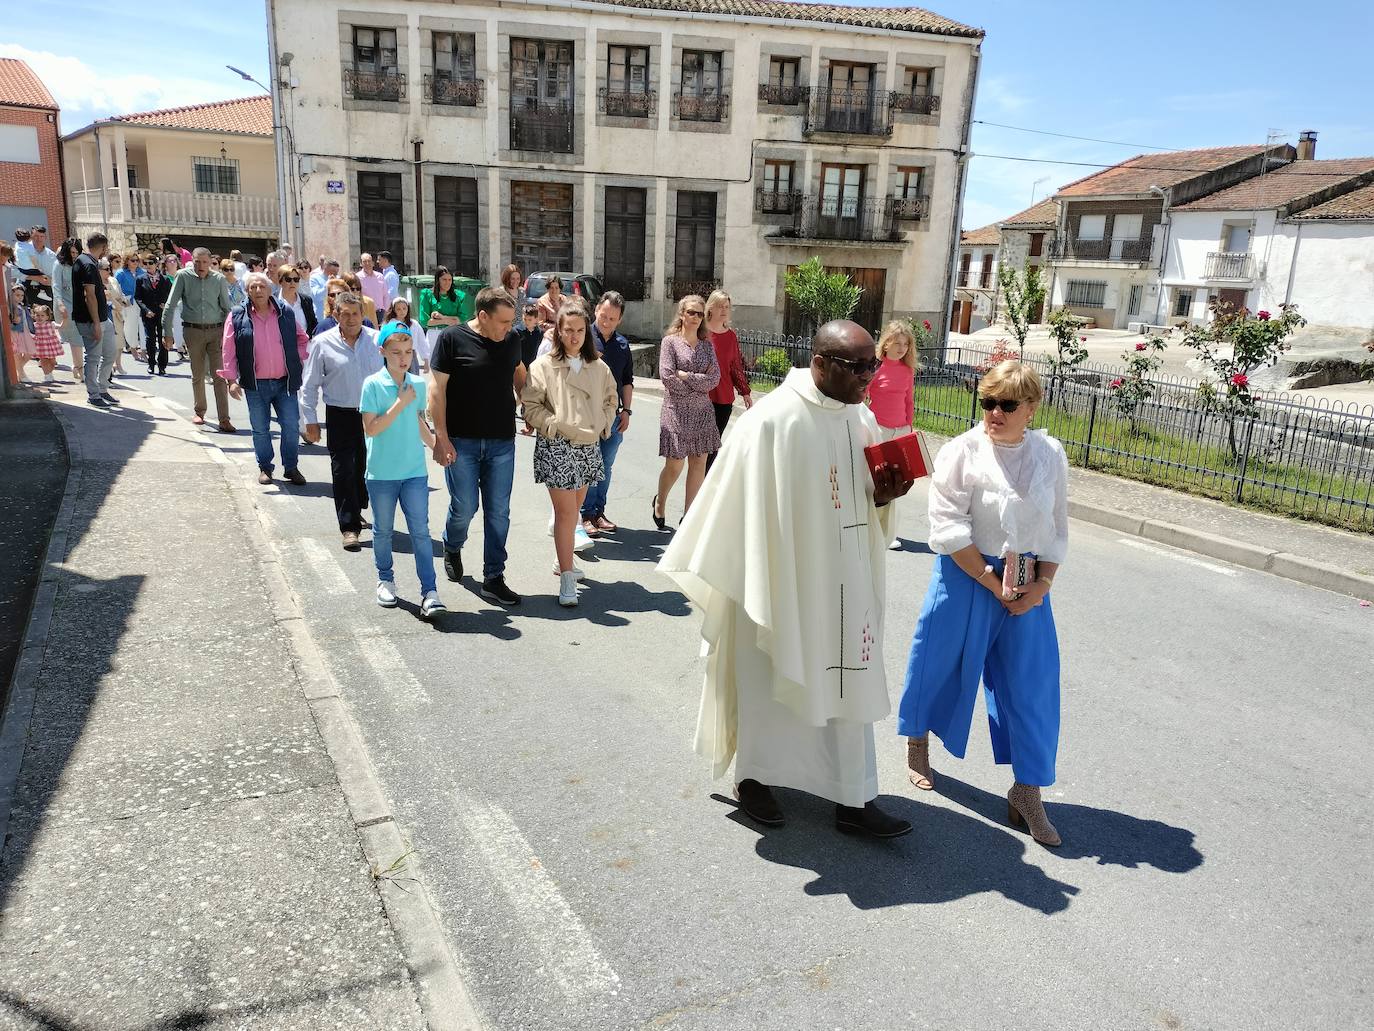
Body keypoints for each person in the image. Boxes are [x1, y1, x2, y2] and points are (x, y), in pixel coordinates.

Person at [658, 320, 915, 837]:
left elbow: (863, 500)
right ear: (820, 363)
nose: (871, 375)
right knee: (769, 675)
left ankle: (853, 797)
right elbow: (732, 509)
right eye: (859, 366)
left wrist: (884, 497)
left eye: (873, 364)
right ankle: (755, 778)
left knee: (847, 679)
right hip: (781, 578)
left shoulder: (856, 418)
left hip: (844, 580)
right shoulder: (770, 421)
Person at [898, 360, 1070, 847]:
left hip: (1028, 575)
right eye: (988, 402)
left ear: (1031, 409)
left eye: (1007, 404)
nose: (994, 412)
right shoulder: (961, 451)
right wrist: (994, 584)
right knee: (940, 664)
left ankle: (1027, 790)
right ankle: (918, 743)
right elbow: (947, 526)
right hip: (967, 570)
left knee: (1031, 685)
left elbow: (1057, 525)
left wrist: (1041, 586)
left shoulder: (1050, 454)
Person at [429, 286, 525, 606]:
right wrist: (440, 438)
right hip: (462, 443)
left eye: (512, 322)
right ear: (482, 316)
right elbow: (436, 391)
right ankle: (452, 545)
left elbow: (519, 374)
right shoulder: (451, 339)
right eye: (503, 322)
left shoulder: (511, 341)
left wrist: (529, 402)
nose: (508, 328)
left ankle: (494, 577)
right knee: (465, 507)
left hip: (502, 442)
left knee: (499, 512)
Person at [522, 300, 617, 607]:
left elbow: (610, 398)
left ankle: (562, 561)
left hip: (588, 444)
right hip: (557, 445)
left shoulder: (598, 366)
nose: (575, 336)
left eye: (580, 330)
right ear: (558, 331)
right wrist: (554, 426)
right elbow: (531, 406)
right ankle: (566, 578)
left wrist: (601, 423)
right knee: (565, 514)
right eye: (568, 330)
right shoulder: (542, 366)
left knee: (574, 513)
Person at [361, 321, 445, 618]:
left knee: (420, 532)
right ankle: (385, 579)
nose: (403, 358)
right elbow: (372, 429)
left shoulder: (417, 384)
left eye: (408, 352)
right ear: (383, 351)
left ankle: (430, 591)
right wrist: (399, 402)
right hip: (382, 473)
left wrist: (436, 444)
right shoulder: (372, 384)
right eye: (396, 352)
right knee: (382, 530)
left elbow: (417, 421)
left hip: (413, 471)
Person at [301, 293, 383, 550]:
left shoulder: (376, 340)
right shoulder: (322, 343)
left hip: (373, 413)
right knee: (343, 468)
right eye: (344, 314)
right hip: (339, 413)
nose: (350, 319)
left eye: (354, 314)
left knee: (366, 467)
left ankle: (357, 504)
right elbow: (309, 384)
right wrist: (310, 421)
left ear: (363, 315)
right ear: (336, 315)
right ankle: (349, 527)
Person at [220, 272, 310, 487]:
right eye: (253, 287)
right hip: (255, 384)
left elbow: (302, 339)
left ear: (270, 289)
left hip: (284, 382)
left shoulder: (285, 312)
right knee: (260, 428)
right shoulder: (237, 315)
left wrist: (295, 358)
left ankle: (291, 467)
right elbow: (228, 349)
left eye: (261, 286)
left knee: (290, 426)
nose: (258, 291)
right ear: (247, 291)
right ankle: (265, 468)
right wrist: (231, 379)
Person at [653, 295, 720, 530]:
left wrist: (688, 376)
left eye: (700, 314)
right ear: (682, 313)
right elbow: (668, 377)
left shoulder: (706, 345)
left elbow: (715, 379)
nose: (695, 317)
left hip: (702, 413)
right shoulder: (670, 342)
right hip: (676, 411)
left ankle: (689, 517)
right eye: (691, 312)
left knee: (699, 463)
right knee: (675, 465)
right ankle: (660, 501)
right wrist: (696, 385)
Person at [580, 292, 634, 535]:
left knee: (605, 465)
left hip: (614, 415)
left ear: (620, 319)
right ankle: (585, 515)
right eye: (603, 316)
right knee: (589, 464)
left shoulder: (622, 344)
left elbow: (627, 380)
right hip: (587, 414)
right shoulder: (583, 336)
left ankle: (598, 511)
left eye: (612, 318)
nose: (607, 321)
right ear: (596, 311)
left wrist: (627, 411)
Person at [164, 247, 233, 431]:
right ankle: (200, 412)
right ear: (191, 261)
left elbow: (227, 308)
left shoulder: (219, 279)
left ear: (210, 262)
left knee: (219, 375)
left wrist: (230, 336)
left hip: (216, 331)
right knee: (198, 374)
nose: (201, 266)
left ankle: (224, 419)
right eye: (197, 262)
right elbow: (170, 304)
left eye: (204, 262)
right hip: (193, 331)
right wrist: (167, 332)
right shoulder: (183, 276)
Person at [866, 321, 918, 550]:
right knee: (879, 482)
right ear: (886, 344)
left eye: (906, 344)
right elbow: (863, 398)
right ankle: (873, 525)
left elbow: (909, 401)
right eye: (897, 343)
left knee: (897, 482)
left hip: (900, 431)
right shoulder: (875, 368)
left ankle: (890, 531)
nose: (901, 348)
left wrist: (908, 427)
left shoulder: (907, 371)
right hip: (879, 429)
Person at [704, 290, 752, 473]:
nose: (724, 310)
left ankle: (703, 488)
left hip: (723, 399)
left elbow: (735, 366)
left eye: (727, 307)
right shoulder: (701, 332)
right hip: (702, 396)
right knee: (701, 446)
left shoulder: (731, 336)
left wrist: (745, 391)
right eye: (720, 306)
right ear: (711, 308)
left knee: (713, 445)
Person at [72, 233, 119, 408]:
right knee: (93, 357)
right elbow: (89, 295)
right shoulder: (88, 264)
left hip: (101, 318)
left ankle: (102, 388)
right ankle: (93, 394)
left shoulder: (86, 261)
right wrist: (96, 324)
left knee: (110, 353)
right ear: (103, 247)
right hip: (91, 320)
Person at [417, 266, 464, 361]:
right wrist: (448, 321)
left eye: (450, 279)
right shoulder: (427, 294)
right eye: (444, 279)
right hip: (434, 334)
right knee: (435, 366)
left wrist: (442, 317)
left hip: (454, 334)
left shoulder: (459, 296)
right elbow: (425, 321)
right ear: (438, 280)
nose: (447, 282)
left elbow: (462, 319)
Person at [54, 238, 83, 382]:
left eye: (77, 252)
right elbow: (56, 286)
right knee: (75, 336)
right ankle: (80, 368)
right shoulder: (59, 265)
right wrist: (60, 304)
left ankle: (77, 366)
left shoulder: (80, 264)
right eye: (72, 252)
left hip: (79, 303)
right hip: (64, 303)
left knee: (77, 338)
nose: (74, 255)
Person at [100, 257, 129, 375]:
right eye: (106, 268)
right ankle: (108, 366)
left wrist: (123, 301)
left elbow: (120, 294)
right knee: (107, 342)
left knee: (119, 342)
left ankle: (118, 364)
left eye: (109, 268)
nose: (109, 270)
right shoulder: (96, 282)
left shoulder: (113, 280)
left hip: (117, 313)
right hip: (105, 313)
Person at [115, 252, 146, 361]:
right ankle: (133, 347)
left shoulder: (142, 272)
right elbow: (116, 288)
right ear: (127, 261)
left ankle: (144, 350)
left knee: (143, 326)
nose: (135, 262)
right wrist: (123, 299)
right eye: (133, 260)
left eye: (137, 260)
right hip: (128, 303)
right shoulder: (121, 273)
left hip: (141, 302)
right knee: (130, 327)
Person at [382, 298, 426, 370]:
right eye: (398, 309)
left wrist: (425, 359)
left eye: (404, 308)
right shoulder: (389, 324)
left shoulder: (414, 323)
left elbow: (421, 340)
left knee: (412, 378)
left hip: (411, 354)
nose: (402, 311)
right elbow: (382, 341)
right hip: (394, 354)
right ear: (394, 310)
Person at [277, 263, 318, 337]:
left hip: (305, 345)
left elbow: (313, 325)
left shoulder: (306, 301)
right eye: (288, 279)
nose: (292, 283)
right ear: (280, 281)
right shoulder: (273, 301)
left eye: (296, 279)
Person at [28, 303, 63, 383]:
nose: (40, 317)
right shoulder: (34, 325)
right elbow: (29, 333)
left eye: (42, 315)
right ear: (34, 316)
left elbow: (61, 326)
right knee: (43, 361)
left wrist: (65, 318)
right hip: (40, 346)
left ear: (47, 316)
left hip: (50, 346)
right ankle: (47, 374)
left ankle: (49, 372)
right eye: (38, 315)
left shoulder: (51, 324)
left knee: (53, 362)